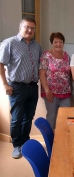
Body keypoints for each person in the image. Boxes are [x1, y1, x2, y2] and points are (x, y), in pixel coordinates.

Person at [0, 18, 42, 159]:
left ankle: (25, 142)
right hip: (17, 87)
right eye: (27, 27)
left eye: (33, 28)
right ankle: (16, 145)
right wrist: (5, 84)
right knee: (17, 118)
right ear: (20, 27)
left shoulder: (37, 46)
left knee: (28, 117)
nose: (30, 30)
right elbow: (1, 64)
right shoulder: (10, 43)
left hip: (33, 87)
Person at [39, 32, 71, 130]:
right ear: (52, 43)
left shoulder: (66, 55)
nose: (58, 44)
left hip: (65, 92)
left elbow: (70, 73)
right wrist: (47, 90)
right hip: (50, 93)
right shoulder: (45, 55)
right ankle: (50, 142)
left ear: (63, 43)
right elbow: (42, 74)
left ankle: (62, 139)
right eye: (55, 42)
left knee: (65, 117)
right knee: (51, 118)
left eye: (60, 42)